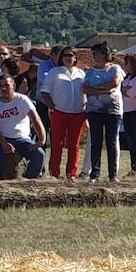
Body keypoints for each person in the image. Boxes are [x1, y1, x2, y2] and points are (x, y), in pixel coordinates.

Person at [0, 74, 48, 179]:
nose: (3, 88)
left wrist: (41, 140)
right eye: (1, 86)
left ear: (13, 86)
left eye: (7, 85)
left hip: (22, 139)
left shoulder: (23, 100)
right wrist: (4, 143)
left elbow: (36, 119)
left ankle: (29, 181)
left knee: (39, 154)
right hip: (1, 139)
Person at [82, 42, 125, 182]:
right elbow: (85, 89)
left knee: (111, 141)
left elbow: (114, 83)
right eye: (94, 54)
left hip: (112, 110)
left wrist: (95, 90)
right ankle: (95, 174)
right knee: (96, 141)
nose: (96, 56)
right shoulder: (90, 72)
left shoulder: (115, 68)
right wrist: (104, 90)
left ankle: (113, 174)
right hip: (94, 110)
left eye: (99, 53)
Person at [42, 46, 87, 180]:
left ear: (75, 58)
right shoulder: (54, 72)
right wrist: (52, 107)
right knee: (57, 144)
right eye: (65, 55)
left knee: (74, 145)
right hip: (59, 112)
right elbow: (45, 91)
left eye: (71, 55)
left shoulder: (81, 74)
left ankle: (71, 173)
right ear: (61, 58)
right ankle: (54, 173)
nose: (68, 57)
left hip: (79, 113)